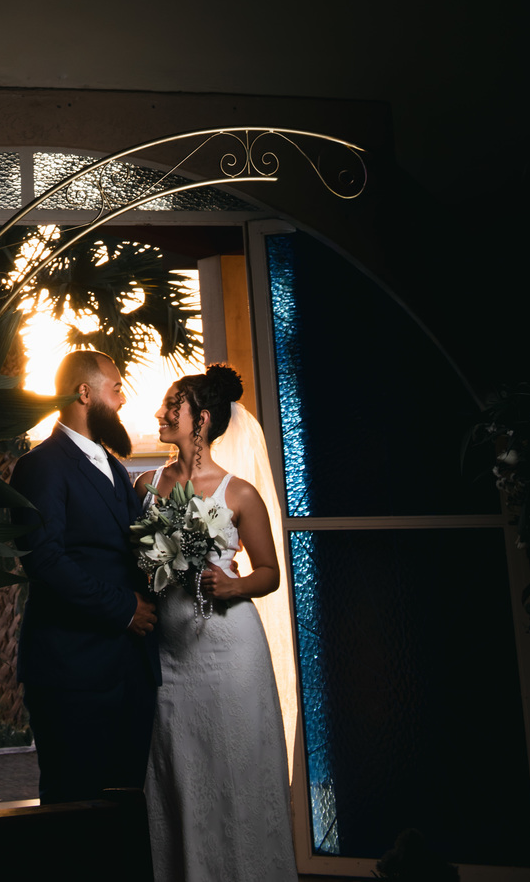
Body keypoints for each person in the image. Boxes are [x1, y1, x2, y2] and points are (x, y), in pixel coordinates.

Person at [140, 363, 297, 881]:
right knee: (179, 772)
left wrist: (233, 586)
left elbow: (270, 572)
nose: (160, 414)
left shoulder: (240, 494)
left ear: (201, 419)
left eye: (172, 406)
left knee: (236, 770)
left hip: (231, 651)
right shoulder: (145, 487)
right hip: (170, 653)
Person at [13, 349, 160, 804]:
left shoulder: (113, 466)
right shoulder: (41, 465)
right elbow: (45, 560)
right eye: (116, 389)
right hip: (71, 672)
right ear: (84, 393)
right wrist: (126, 609)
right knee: (74, 807)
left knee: (126, 808)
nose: (122, 400)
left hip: (129, 671)